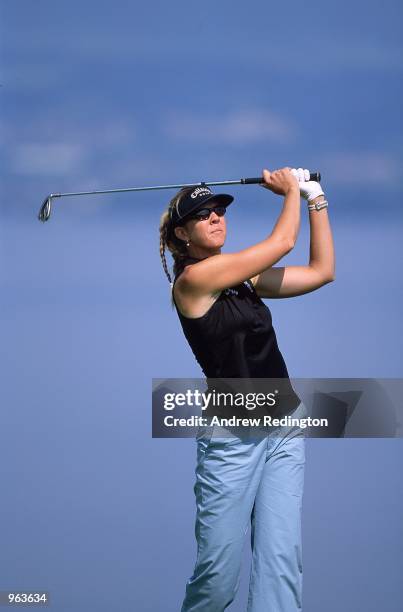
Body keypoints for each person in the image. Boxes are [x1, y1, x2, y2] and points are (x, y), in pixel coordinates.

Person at [158, 167, 335, 612]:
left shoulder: (244, 279)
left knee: (280, 565)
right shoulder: (192, 283)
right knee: (217, 575)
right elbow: (281, 244)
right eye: (203, 215)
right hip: (232, 441)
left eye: (219, 210)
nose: (216, 217)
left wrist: (316, 201)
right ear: (182, 233)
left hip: (286, 428)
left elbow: (321, 271)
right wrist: (289, 191)